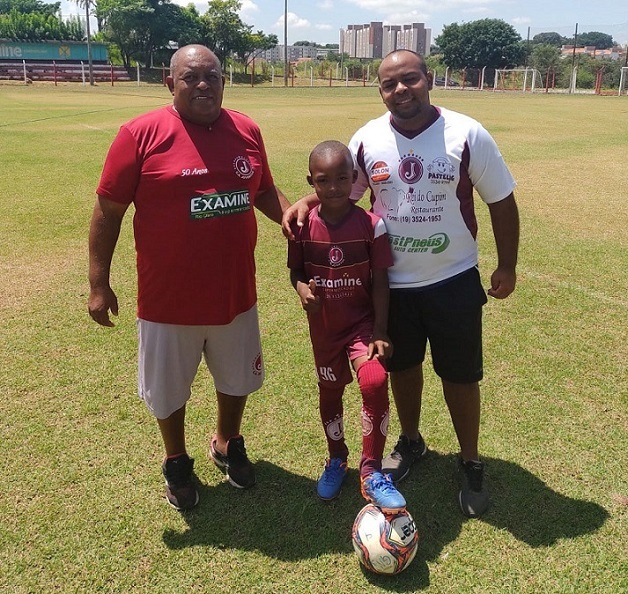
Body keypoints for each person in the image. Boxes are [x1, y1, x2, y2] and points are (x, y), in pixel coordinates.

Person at [282, 50, 520, 518]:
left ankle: (470, 461)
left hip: (453, 279)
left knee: (460, 374)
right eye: (390, 84)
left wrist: (507, 265)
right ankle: (411, 442)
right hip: (391, 286)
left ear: (428, 79)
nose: (401, 90)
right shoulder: (368, 139)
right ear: (380, 91)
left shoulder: (467, 133)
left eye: (410, 79)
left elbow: (502, 200)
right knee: (402, 368)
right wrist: (306, 201)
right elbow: (343, 192)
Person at [88, 44, 290, 511]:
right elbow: (108, 211)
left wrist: (297, 218)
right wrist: (99, 283)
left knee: (237, 379)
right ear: (170, 82)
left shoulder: (246, 129)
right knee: (168, 389)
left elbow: (261, 190)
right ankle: (176, 459)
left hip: (235, 292)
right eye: (191, 77)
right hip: (168, 299)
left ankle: (226, 440)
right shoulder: (139, 134)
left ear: (224, 80)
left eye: (212, 76)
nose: (203, 85)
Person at [287, 140, 406, 512]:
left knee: (373, 381)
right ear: (312, 182)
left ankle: (371, 471)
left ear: (355, 178)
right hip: (324, 329)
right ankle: (337, 457)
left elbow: (382, 280)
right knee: (330, 392)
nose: (334, 187)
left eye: (342, 178)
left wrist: (381, 330)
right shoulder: (303, 227)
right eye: (324, 181)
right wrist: (301, 288)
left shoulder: (372, 225)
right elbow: (296, 271)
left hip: (362, 325)